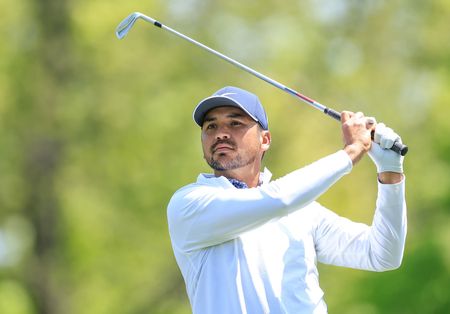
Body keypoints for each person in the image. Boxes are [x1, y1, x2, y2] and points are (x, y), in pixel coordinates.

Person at [167, 86, 407, 314]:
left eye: (235, 123)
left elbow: (382, 253)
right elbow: (278, 200)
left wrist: (390, 171)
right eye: (210, 127)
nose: (221, 133)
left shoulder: (303, 211)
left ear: (265, 140)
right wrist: (351, 152)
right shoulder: (190, 204)